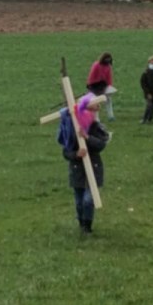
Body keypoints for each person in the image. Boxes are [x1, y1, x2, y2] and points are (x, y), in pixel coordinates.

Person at [61, 81, 110, 235]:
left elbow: (101, 144)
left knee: (88, 200)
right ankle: (81, 223)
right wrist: (76, 154)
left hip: (93, 168)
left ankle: (87, 226)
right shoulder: (72, 129)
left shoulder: (96, 127)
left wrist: (87, 137)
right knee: (79, 201)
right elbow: (66, 151)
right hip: (77, 170)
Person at [87, 52, 115, 120]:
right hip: (94, 86)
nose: (107, 60)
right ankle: (96, 118)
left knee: (108, 99)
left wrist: (109, 87)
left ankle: (111, 116)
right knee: (96, 101)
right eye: (106, 59)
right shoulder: (97, 65)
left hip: (103, 86)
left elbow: (109, 78)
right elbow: (92, 77)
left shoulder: (108, 67)